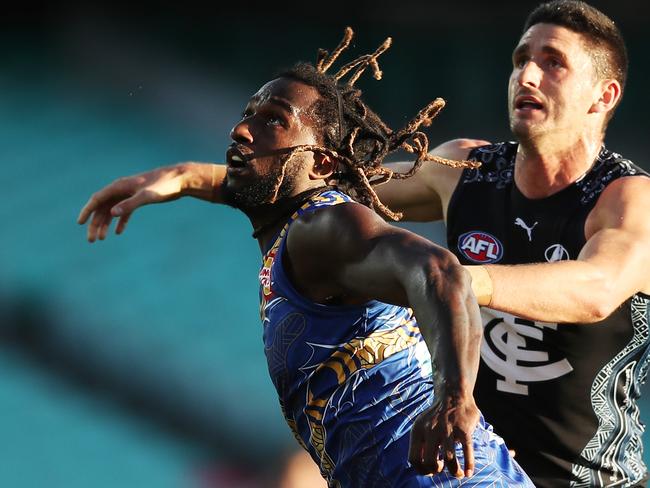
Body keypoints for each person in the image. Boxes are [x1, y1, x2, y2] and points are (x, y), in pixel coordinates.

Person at [78, 2, 650, 486]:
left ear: (603, 96)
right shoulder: (465, 171)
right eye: (521, 59)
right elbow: (304, 182)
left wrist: (455, 279)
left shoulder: (629, 199)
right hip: (465, 460)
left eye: (553, 64)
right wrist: (188, 177)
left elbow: (597, 290)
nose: (526, 76)